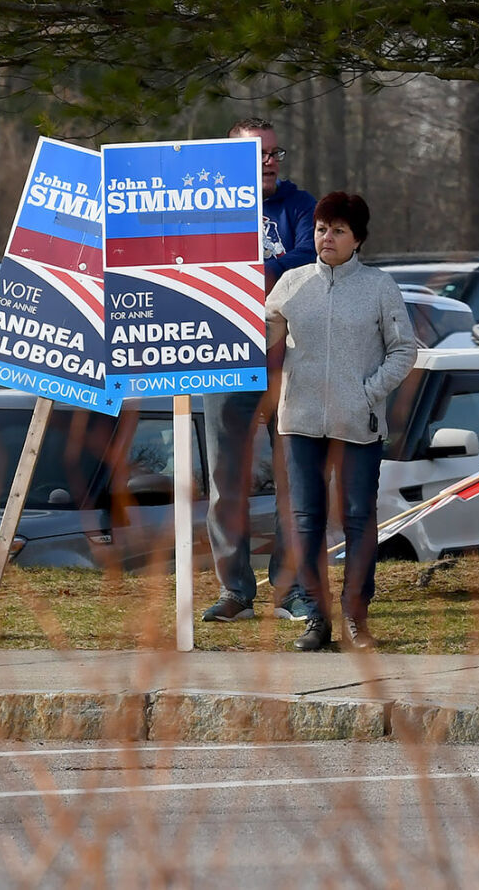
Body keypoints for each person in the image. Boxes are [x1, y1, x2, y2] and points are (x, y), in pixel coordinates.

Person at [265, 192, 417, 651]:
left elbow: (404, 349)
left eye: (337, 230)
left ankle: (355, 615)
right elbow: (265, 337)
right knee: (305, 521)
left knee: (357, 519)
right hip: (301, 422)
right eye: (320, 229)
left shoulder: (379, 287)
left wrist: (367, 391)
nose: (325, 238)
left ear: (358, 239)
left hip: (358, 424)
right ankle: (317, 617)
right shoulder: (291, 283)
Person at [202, 118, 317, 624]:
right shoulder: (205, 212)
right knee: (227, 479)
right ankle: (235, 592)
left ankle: (289, 590)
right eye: (259, 155)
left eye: (275, 153)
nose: (270, 162)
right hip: (224, 357)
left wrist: (246, 270)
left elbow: (306, 257)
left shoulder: (299, 206)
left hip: (289, 359)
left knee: (294, 477)